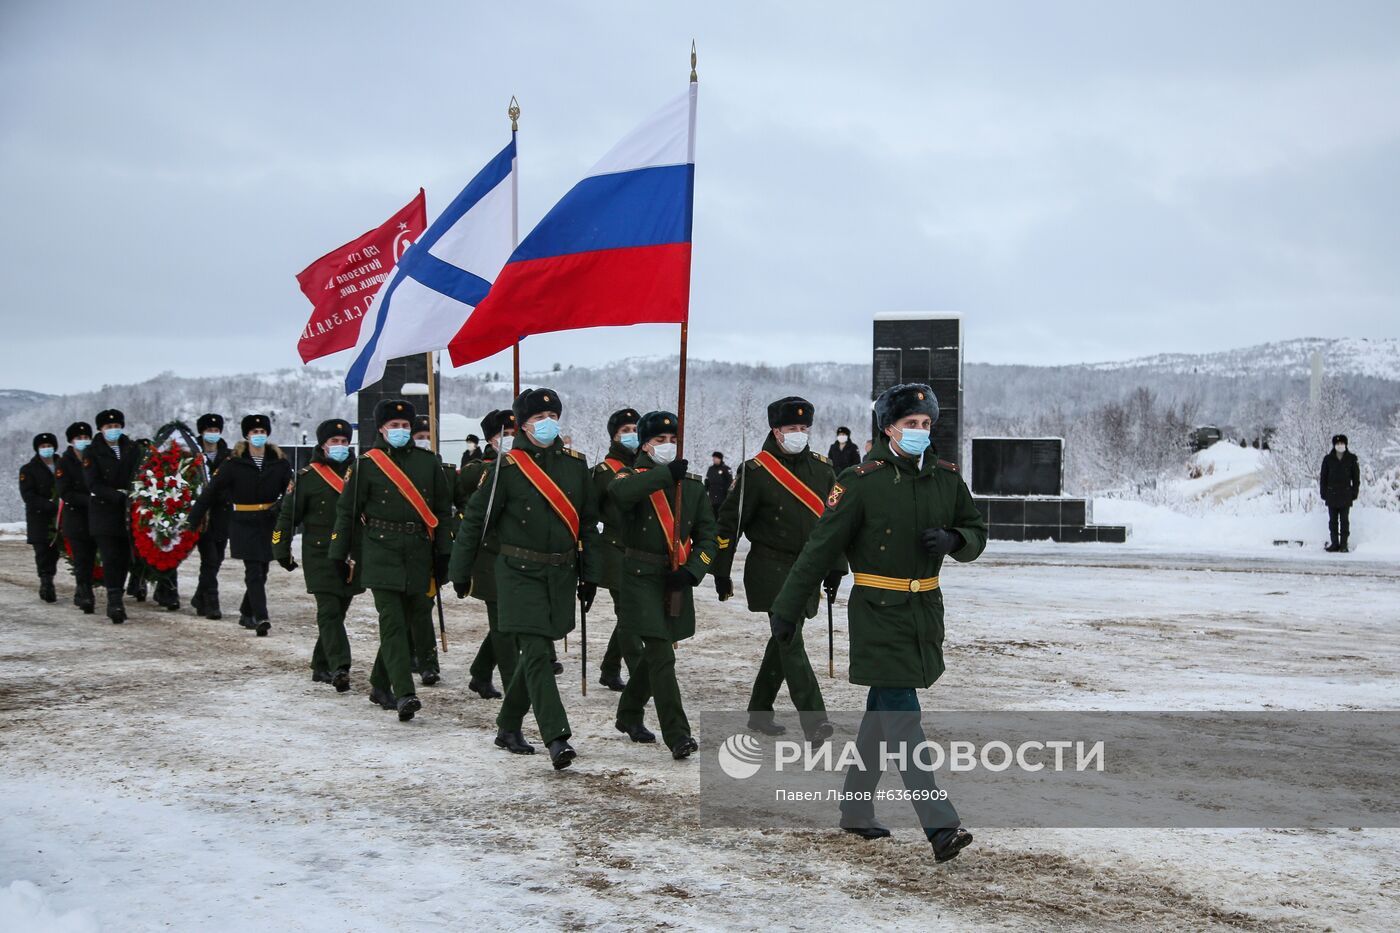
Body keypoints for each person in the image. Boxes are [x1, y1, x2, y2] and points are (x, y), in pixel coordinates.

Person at [769, 383, 987, 864]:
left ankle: (854, 805)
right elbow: (819, 549)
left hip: (924, 612)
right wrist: (787, 608)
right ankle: (940, 825)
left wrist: (954, 538)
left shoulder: (946, 479)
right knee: (904, 716)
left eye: (926, 424)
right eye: (911, 424)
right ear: (889, 427)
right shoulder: (860, 481)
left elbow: (977, 531)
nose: (920, 432)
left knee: (882, 714)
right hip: (877, 613)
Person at [450, 387, 602, 769]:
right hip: (517, 572)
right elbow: (474, 522)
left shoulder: (574, 465)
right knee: (536, 652)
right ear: (523, 424)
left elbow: (587, 523)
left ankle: (508, 725)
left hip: (561, 572)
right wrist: (460, 570)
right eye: (539, 419)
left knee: (536, 650)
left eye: (553, 417)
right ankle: (557, 736)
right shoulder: (505, 468)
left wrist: (591, 574)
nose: (548, 424)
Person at [712, 397, 845, 741]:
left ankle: (759, 713)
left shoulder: (822, 468)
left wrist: (836, 567)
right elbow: (729, 525)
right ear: (776, 430)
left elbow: (836, 523)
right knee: (790, 638)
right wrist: (721, 572)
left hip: (808, 568)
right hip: (769, 567)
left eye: (804, 428)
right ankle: (815, 721)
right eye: (791, 429)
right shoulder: (755, 471)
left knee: (783, 640)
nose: (799, 434)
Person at [328, 399, 454, 723]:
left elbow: (441, 512)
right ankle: (404, 692)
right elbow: (347, 513)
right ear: (381, 429)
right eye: (393, 426)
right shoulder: (368, 465)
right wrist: (338, 554)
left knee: (411, 620)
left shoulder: (428, 463)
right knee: (393, 621)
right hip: (379, 551)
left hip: (417, 551)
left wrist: (444, 554)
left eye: (405, 426)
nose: (400, 431)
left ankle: (379, 684)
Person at [607, 410, 718, 760]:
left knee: (657, 652)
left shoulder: (694, 487)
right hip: (639, 576)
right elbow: (621, 493)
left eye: (673, 441)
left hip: (675, 580)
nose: (668, 446)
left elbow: (708, 537)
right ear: (644, 444)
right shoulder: (632, 476)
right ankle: (678, 734)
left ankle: (628, 714)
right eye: (659, 441)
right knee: (661, 653)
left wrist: (693, 571)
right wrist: (661, 476)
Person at [273, 419, 364, 692]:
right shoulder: (308, 477)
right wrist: (281, 549)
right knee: (329, 611)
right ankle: (340, 666)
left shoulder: (360, 473)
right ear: (322, 445)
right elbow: (288, 517)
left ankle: (320, 664)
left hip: (350, 554)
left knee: (340, 609)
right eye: (334, 442)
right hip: (319, 553)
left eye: (344, 442)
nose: (340, 446)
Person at [186, 414, 292, 636]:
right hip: (243, 523)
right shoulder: (234, 464)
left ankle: (246, 611)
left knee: (262, 570)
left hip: (269, 523)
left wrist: (281, 507)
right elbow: (210, 492)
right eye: (254, 433)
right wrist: (193, 519)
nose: (259, 436)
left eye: (262, 432)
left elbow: (292, 491)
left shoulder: (279, 462)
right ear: (246, 436)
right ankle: (261, 616)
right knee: (253, 570)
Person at [455, 410, 514, 699]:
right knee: (503, 624)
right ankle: (516, 688)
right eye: (507, 434)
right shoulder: (478, 468)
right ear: (491, 439)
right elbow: (468, 482)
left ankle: (480, 672)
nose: (513, 439)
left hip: (519, 555)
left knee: (508, 622)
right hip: (489, 555)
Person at [591, 407, 644, 692]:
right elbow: (590, 511)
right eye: (626, 431)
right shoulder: (604, 472)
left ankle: (610, 669)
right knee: (630, 612)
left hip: (641, 549)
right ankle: (640, 674)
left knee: (629, 613)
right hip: (614, 549)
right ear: (614, 436)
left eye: (636, 429)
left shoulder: (645, 467)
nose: (632, 435)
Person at [84, 409, 142, 623]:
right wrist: (115, 495)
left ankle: (118, 593)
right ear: (101, 429)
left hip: (127, 512)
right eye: (109, 427)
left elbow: (141, 472)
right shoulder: (92, 452)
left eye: (116, 426)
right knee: (110, 557)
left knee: (125, 557)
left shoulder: (132, 448)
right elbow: (93, 483)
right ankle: (114, 600)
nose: (113, 430)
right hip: (104, 510)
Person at [403, 413, 444, 687]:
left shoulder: (438, 467)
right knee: (403, 609)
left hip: (427, 547)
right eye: (420, 437)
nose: (424, 441)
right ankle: (410, 656)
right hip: (399, 546)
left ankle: (426, 661)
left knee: (422, 604)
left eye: (428, 437)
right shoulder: (397, 469)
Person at [191, 413, 232, 620]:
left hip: (223, 514)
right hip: (202, 515)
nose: (213, 434)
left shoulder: (229, 455)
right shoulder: (192, 453)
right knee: (210, 558)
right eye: (209, 430)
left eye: (216, 430)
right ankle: (211, 602)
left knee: (217, 558)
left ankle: (199, 596)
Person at [55, 422, 97, 614]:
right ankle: (84, 591)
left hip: (98, 517)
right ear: (71, 441)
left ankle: (84, 591)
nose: (83, 441)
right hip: (76, 518)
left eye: (86, 437)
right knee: (82, 559)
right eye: (79, 438)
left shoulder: (96, 458)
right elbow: (65, 492)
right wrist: (90, 499)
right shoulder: (64, 463)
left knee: (98, 556)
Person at [19, 432, 61, 603]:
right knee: (43, 552)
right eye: (43, 447)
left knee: (57, 551)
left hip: (62, 516)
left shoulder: (62, 464)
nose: (47, 449)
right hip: (40, 517)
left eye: (49, 446)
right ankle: (46, 582)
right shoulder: (29, 469)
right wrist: (48, 504)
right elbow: (28, 495)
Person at [1321, 433, 1361, 553]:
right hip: (1331, 494)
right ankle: (1334, 543)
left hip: (1345, 495)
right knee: (1333, 521)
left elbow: (1356, 478)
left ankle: (1343, 544)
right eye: (1337, 444)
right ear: (1334, 445)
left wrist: (1354, 492)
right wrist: (1323, 493)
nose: (1340, 445)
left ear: (1346, 444)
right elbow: (1323, 477)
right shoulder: (1328, 459)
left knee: (1344, 521)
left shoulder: (1352, 458)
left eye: (1342, 443)